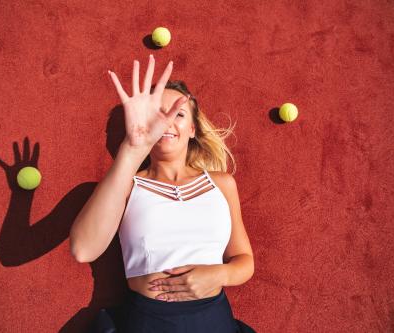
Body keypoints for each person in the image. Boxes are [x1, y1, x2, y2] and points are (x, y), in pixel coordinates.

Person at [70, 54, 256, 332]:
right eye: (157, 113)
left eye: (178, 113)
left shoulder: (222, 184)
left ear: (192, 129)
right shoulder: (126, 184)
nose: (166, 121)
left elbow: (244, 261)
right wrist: (132, 150)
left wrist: (217, 274)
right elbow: (83, 249)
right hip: (147, 321)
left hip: (212, 318)